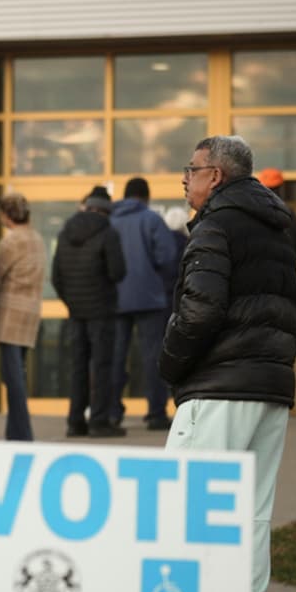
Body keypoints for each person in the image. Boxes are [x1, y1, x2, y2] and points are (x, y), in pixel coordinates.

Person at [160, 135, 296, 592]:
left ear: (215, 175)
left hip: (218, 385)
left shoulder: (215, 226)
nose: (185, 179)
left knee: (180, 508)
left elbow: (198, 312)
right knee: (253, 515)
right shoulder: (278, 229)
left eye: (190, 169)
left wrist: (170, 367)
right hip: (269, 388)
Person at [51, 186, 127, 437]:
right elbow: (117, 271)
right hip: (102, 310)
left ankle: (75, 421)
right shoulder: (108, 232)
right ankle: (99, 421)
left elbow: (56, 276)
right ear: (107, 209)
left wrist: (71, 301)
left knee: (78, 366)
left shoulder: (65, 231)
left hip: (76, 311)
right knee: (102, 365)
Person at [107, 177, 178, 431]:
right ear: (146, 197)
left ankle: (112, 412)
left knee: (116, 356)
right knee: (152, 357)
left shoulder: (110, 221)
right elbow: (168, 257)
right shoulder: (151, 220)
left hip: (115, 300)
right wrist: (156, 280)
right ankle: (156, 413)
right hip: (149, 298)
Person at [0, 192, 45, 442]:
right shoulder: (36, 238)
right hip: (30, 312)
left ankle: (21, 435)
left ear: (6, 215)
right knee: (16, 375)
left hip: (10, 315)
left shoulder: (11, 242)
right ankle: (15, 432)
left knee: (13, 379)